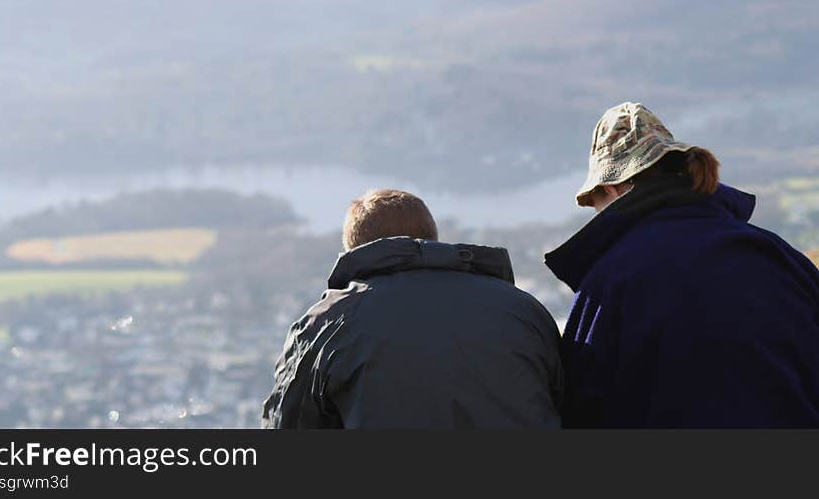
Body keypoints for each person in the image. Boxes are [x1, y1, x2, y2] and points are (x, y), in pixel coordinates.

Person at [545, 102, 819, 427]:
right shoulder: (778, 256)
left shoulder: (610, 282)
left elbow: (582, 408)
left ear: (612, 188)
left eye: (595, 203)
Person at [263, 188, 562, 428]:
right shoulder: (523, 311)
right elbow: (572, 406)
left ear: (354, 250)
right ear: (432, 239)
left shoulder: (328, 325)